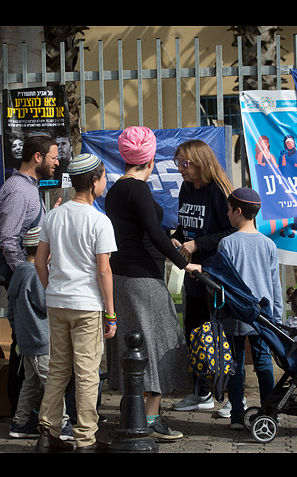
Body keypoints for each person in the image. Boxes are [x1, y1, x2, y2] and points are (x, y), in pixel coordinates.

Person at [105, 126, 202, 441]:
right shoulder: (138, 189)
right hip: (143, 278)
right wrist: (184, 264)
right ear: (150, 157)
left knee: (133, 345)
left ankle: (133, 412)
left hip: (122, 276)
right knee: (159, 343)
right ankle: (151, 418)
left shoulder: (116, 189)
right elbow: (155, 232)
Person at [34, 153, 117, 454]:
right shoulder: (99, 221)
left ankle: (47, 434)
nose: (105, 182)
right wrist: (111, 313)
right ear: (94, 182)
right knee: (86, 373)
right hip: (87, 305)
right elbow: (103, 270)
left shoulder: (54, 215)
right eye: (104, 177)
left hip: (57, 302)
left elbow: (40, 263)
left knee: (58, 369)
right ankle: (86, 440)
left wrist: (52, 289)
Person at [0, 133, 61, 416]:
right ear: (38, 157)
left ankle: (25, 413)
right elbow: (9, 240)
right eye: (54, 157)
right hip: (25, 278)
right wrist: (29, 271)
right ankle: (20, 412)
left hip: (28, 277)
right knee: (25, 345)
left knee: (27, 344)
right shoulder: (19, 190)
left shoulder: (30, 188)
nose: (57, 163)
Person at [171, 139, 236, 412]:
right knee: (194, 333)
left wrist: (198, 244)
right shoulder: (186, 188)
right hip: (193, 275)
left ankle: (235, 399)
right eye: (178, 164)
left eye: (185, 164)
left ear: (201, 162)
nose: (181, 169)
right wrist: (175, 238)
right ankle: (203, 394)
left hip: (217, 275)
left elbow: (232, 230)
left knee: (224, 337)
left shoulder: (219, 192)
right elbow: (185, 224)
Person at [214, 187, 282, 429]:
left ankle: (237, 416)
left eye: (229, 210)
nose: (227, 215)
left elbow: (223, 283)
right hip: (262, 317)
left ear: (239, 211)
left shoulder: (226, 244)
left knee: (235, 364)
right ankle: (269, 412)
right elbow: (275, 284)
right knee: (264, 362)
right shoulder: (268, 245)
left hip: (234, 314)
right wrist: (277, 316)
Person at [7, 226, 49, 438]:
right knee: (51, 382)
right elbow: (44, 304)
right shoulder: (36, 274)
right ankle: (62, 422)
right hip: (41, 339)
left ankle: (20, 422)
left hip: (25, 340)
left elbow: (10, 312)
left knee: (30, 383)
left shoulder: (20, 272)